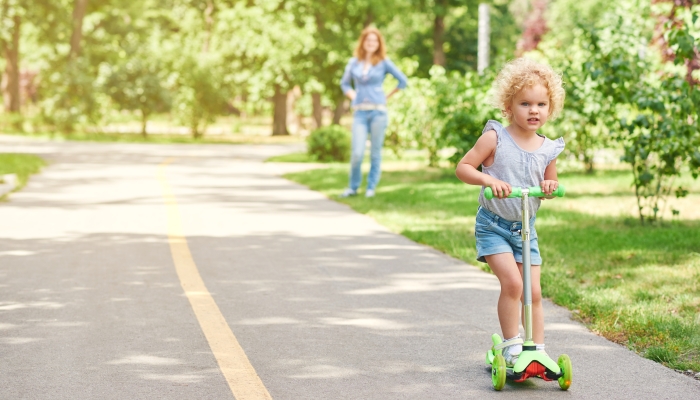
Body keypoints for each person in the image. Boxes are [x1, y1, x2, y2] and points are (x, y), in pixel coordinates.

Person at [455, 58, 566, 367]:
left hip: (525, 229)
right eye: (525, 103)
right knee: (514, 285)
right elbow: (463, 168)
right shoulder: (495, 138)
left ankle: (537, 350)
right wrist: (487, 178)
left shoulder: (548, 148)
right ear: (508, 105)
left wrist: (549, 186)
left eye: (541, 104)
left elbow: (552, 182)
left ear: (550, 107)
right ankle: (512, 345)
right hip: (493, 226)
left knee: (533, 291)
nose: (534, 110)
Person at [339, 27, 408, 198]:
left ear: (379, 44)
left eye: (375, 41)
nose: (371, 43)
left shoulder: (383, 62)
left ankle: (370, 188)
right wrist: (353, 95)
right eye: (368, 40)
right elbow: (345, 84)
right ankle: (353, 187)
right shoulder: (353, 63)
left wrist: (386, 96)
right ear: (363, 42)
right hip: (360, 113)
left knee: (375, 152)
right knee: (357, 152)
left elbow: (402, 81)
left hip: (378, 112)